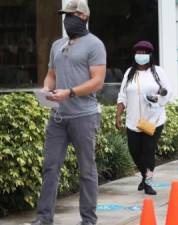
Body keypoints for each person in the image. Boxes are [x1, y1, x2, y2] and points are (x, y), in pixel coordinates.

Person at [26, 1, 106, 225]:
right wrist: (46, 88)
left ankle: (88, 220)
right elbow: (51, 74)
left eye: (70, 15)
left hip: (84, 116)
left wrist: (69, 92)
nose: (66, 19)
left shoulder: (95, 45)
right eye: (65, 15)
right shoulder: (57, 45)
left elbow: (98, 82)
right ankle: (44, 219)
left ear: (83, 16)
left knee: (87, 169)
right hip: (58, 117)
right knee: (50, 167)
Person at [116, 41, 172, 195]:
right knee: (134, 151)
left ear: (150, 55)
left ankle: (148, 183)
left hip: (153, 119)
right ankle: (144, 175)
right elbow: (122, 95)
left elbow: (168, 91)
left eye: (144, 53)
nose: (141, 56)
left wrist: (158, 97)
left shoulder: (158, 72)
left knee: (148, 151)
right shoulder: (129, 73)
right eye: (138, 53)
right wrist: (118, 115)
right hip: (133, 121)